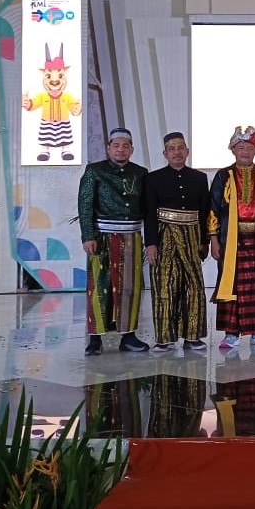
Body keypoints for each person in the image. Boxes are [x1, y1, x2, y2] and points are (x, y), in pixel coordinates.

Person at [206, 126, 255, 349]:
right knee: (232, 284)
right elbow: (213, 209)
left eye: (249, 148)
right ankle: (231, 333)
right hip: (230, 239)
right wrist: (214, 239)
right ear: (233, 150)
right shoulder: (223, 176)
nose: (245, 152)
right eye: (241, 148)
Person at [78, 127, 150, 355]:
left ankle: (128, 336)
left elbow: (147, 206)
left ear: (132, 149)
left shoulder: (140, 173)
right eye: (116, 145)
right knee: (99, 287)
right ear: (108, 148)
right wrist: (88, 236)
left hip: (132, 237)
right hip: (102, 237)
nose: (121, 149)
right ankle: (95, 338)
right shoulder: (95, 171)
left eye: (125, 146)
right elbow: (85, 204)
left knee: (130, 287)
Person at [143, 131, 210, 353]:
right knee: (164, 286)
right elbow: (149, 214)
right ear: (165, 153)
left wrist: (204, 241)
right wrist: (150, 243)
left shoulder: (199, 178)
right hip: (164, 236)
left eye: (181, 148)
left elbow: (205, 212)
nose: (177, 152)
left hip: (192, 236)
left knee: (193, 286)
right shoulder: (153, 178)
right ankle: (164, 338)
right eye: (171, 149)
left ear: (187, 151)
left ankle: (192, 337)